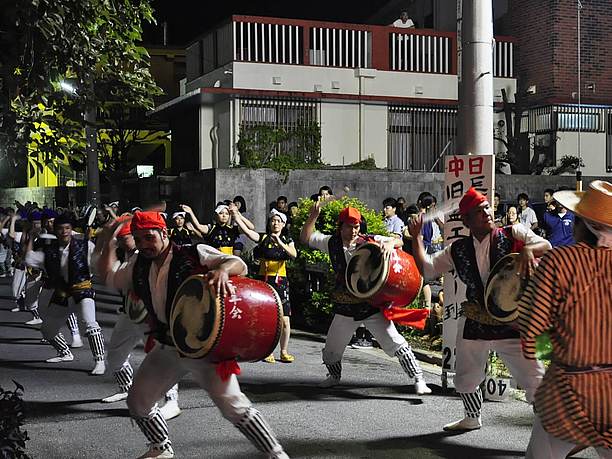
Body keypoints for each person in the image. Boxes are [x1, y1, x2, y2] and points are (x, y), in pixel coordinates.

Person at [98, 211, 288, 459]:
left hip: (203, 349)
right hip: (168, 345)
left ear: (164, 233)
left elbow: (238, 265)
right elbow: (110, 278)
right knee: (138, 401)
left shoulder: (191, 252)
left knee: (235, 407)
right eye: (138, 238)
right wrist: (107, 243)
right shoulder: (137, 264)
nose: (144, 244)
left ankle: (276, 454)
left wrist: (223, 270)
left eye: (149, 237)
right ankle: (161, 448)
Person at [408, 187, 550, 431]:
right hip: (477, 320)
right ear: (466, 220)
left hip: (512, 322)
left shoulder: (512, 232)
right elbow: (428, 269)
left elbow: (545, 245)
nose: (486, 212)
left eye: (487, 207)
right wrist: (417, 238)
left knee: (535, 377)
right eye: (479, 210)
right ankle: (472, 417)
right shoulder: (458, 249)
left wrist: (528, 249)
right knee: (465, 376)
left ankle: (548, 428)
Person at [518, 180, 612, 458]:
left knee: (542, 454)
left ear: (583, 224)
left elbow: (531, 334)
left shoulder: (559, 261)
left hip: (568, 391)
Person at [300, 203, 432, 394]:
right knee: (331, 351)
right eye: (349, 226)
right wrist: (312, 217)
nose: (354, 230)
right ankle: (334, 377)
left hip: (370, 306)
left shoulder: (369, 240)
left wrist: (388, 243)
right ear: (341, 226)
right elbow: (306, 237)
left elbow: (399, 241)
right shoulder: (331, 242)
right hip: (345, 307)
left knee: (396, 343)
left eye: (356, 226)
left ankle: (419, 378)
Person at [97, 216, 181, 421]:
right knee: (115, 355)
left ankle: (172, 400)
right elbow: (110, 277)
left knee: (162, 357)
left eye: (126, 236)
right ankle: (127, 388)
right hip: (129, 313)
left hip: (151, 316)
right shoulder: (129, 255)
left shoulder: (145, 255)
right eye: (125, 236)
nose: (125, 240)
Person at [24, 213, 105, 375]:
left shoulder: (84, 245)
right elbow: (29, 259)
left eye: (67, 228)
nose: (64, 232)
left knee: (91, 324)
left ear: (71, 229)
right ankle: (65, 353)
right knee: (47, 330)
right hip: (61, 293)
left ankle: (100, 361)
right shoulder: (49, 250)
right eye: (60, 229)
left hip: (82, 290)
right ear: (55, 231)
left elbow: (97, 264)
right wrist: (31, 238)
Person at [231, 205, 297, 363]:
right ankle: (267, 351)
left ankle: (284, 351)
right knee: (267, 318)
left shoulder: (287, 240)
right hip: (264, 281)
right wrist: (236, 216)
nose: (275, 223)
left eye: (278, 221)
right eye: (273, 221)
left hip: (280, 281)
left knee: (285, 319)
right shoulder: (263, 238)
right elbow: (248, 232)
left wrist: (279, 242)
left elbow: (294, 254)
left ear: (283, 224)